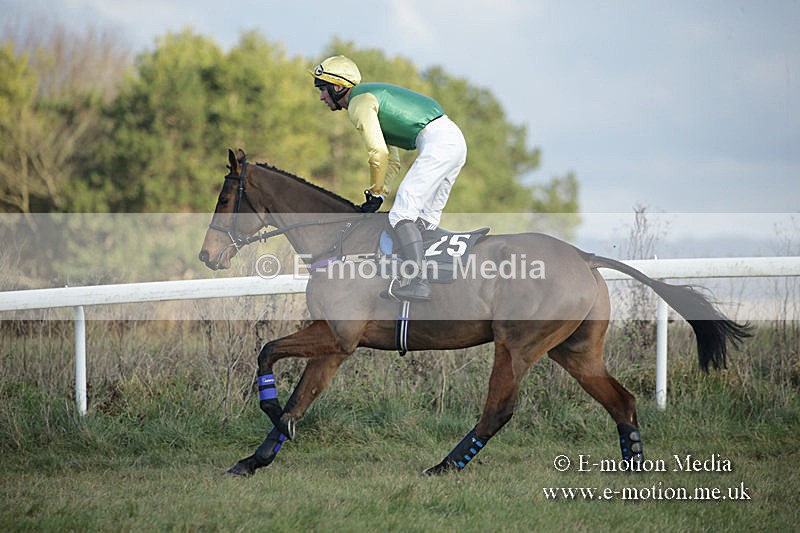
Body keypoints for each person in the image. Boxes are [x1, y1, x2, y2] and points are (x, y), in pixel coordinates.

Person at [310, 55, 467, 302]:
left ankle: (418, 282)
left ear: (337, 87)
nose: (320, 97)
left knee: (401, 213)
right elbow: (392, 160)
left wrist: (374, 191)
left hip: (438, 142)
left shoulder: (358, 103)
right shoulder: (370, 99)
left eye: (322, 89)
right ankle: (434, 285)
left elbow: (378, 153)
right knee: (425, 219)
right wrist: (380, 194)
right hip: (452, 140)